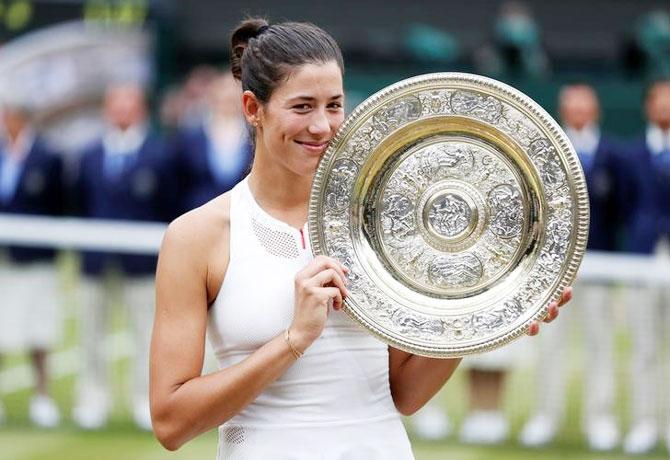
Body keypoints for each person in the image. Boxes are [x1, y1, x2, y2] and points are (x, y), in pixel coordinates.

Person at [149, 18, 571, 459]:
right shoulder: (197, 237)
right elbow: (171, 422)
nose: (322, 126)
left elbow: (404, 394)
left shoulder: (381, 222)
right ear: (253, 108)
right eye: (302, 107)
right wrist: (293, 339)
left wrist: (483, 316)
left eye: (334, 105)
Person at [519, 83, 623, 451]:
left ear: (595, 110)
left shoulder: (613, 154)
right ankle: (545, 416)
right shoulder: (543, 155)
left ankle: (601, 420)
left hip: (602, 262)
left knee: (600, 343)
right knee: (549, 345)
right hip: (552, 269)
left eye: (584, 104)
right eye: (572, 104)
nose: (578, 110)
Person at [72, 82, 176, 431]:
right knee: (91, 334)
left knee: (146, 335)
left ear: (141, 109)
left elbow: (169, 207)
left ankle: (143, 401)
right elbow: (78, 206)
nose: (120, 112)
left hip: (142, 265)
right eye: (115, 104)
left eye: (127, 104)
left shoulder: (160, 155)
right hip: (95, 263)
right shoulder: (89, 155)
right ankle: (92, 399)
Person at [0, 101, 63, 427]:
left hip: (36, 259)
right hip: (3, 260)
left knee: (38, 331)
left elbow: (60, 205)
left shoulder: (47, 156)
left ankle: (42, 396)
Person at [621, 79, 670, 455]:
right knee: (643, 347)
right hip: (642, 260)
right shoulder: (632, 156)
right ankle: (643, 423)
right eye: (660, 100)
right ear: (648, 107)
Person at [173, 71, 253, 214]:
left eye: (233, 92)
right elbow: (176, 184)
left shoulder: (256, 137)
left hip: (243, 215)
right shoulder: (191, 137)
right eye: (223, 91)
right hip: (197, 215)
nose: (228, 98)